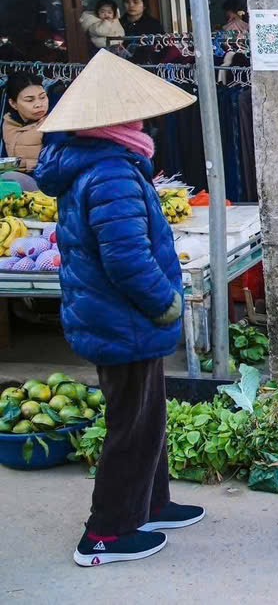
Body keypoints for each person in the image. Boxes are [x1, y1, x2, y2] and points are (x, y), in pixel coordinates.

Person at [33, 50, 204, 567]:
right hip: (123, 318)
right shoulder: (110, 171)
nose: (143, 120)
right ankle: (104, 534)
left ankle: (150, 504)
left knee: (146, 418)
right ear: (114, 120)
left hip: (117, 317)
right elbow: (126, 258)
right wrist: (165, 304)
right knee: (132, 424)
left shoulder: (103, 161)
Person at [3, 72, 49, 172]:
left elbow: (57, 163)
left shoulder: (52, 124)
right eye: (29, 100)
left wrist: (24, 164)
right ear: (13, 104)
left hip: (43, 180)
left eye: (42, 97)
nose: (38, 104)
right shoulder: (8, 122)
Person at [119, 0, 165, 64]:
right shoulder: (117, 24)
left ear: (144, 5)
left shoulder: (153, 25)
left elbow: (161, 49)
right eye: (127, 2)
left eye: (135, 2)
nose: (131, 5)